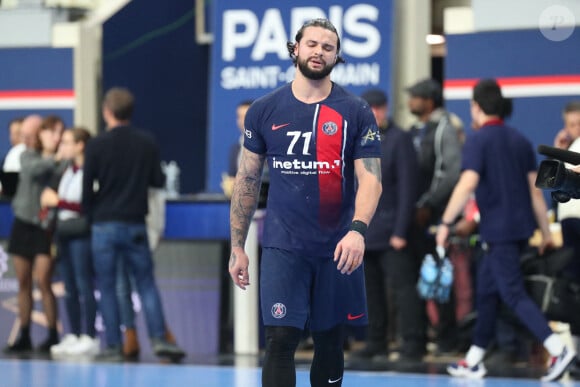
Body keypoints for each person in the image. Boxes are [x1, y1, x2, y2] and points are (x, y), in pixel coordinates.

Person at [228, 18, 382, 387]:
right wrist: (237, 246)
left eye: (328, 47)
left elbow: (371, 179)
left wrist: (358, 230)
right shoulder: (265, 110)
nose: (319, 52)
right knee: (280, 340)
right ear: (295, 48)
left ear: (337, 56)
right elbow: (247, 180)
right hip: (284, 246)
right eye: (312, 44)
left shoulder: (356, 111)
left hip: (337, 248)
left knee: (330, 341)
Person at [436, 79, 576, 382]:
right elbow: (535, 192)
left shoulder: (477, 140)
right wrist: (546, 233)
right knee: (487, 292)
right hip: (516, 231)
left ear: (476, 106)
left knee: (511, 292)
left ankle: (557, 349)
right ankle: (473, 360)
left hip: (499, 232)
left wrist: (445, 223)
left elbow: (468, 183)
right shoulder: (519, 140)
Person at [82, 87, 185, 362]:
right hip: (135, 224)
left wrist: (90, 215)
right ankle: (159, 340)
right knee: (146, 284)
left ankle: (114, 346)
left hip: (104, 224)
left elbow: (85, 189)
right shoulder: (146, 142)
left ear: (107, 111)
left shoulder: (96, 145)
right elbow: (157, 182)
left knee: (107, 286)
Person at [349, 89, 419, 361]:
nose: (375, 113)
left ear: (386, 109)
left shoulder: (399, 139)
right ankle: (376, 341)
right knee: (371, 291)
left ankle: (413, 343)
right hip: (366, 231)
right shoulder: (357, 140)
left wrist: (401, 230)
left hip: (392, 232)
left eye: (380, 108)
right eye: (370, 108)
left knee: (403, 289)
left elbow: (407, 189)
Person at [407, 78, 463, 356]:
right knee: (419, 276)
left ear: (429, 100)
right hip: (415, 216)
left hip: (435, 216)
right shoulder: (416, 130)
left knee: (441, 276)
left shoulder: (444, 128)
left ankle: (448, 338)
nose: (410, 101)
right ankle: (423, 336)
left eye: (415, 96)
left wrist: (428, 203)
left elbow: (451, 172)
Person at [3, 115, 64, 354]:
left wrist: (57, 158)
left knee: (44, 282)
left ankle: (52, 335)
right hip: (22, 224)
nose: (52, 137)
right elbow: (32, 170)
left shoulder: (62, 160)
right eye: (48, 132)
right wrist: (53, 158)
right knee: (23, 282)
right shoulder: (28, 155)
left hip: (44, 227)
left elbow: (59, 175)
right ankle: (25, 334)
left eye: (56, 133)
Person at [40, 127, 99, 357]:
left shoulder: (91, 171)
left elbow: (86, 204)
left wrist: (59, 202)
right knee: (69, 286)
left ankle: (90, 335)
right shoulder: (65, 170)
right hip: (63, 232)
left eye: (66, 142)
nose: (62, 146)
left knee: (84, 284)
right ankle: (73, 333)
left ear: (80, 145)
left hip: (81, 233)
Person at [552, 100, 580, 374]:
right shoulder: (568, 150)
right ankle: (575, 354)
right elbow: (557, 194)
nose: (576, 129)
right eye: (572, 124)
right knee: (572, 288)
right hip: (570, 224)